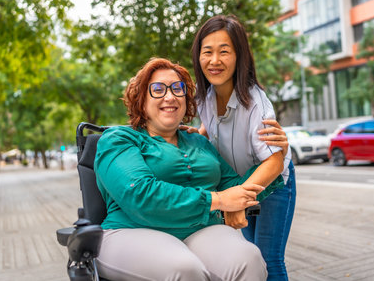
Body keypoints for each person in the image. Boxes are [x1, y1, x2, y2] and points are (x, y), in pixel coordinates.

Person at [94, 58, 284, 281]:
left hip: (200, 229)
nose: (170, 96)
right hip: (131, 231)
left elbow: (232, 187)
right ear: (141, 100)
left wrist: (274, 157)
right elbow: (140, 194)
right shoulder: (119, 139)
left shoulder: (199, 142)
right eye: (157, 89)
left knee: (248, 260)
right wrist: (218, 200)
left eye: (178, 88)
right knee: (184, 269)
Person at [191, 14, 297, 280]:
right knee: (252, 254)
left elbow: (273, 161)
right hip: (240, 182)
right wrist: (201, 134)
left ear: (239, 57)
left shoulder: (256, 105)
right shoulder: (205, 96)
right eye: (207, 52)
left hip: (272, 182)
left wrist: (238, 199)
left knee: (269, 260)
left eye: (224, 52)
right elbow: (210, 123)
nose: (214, 61)